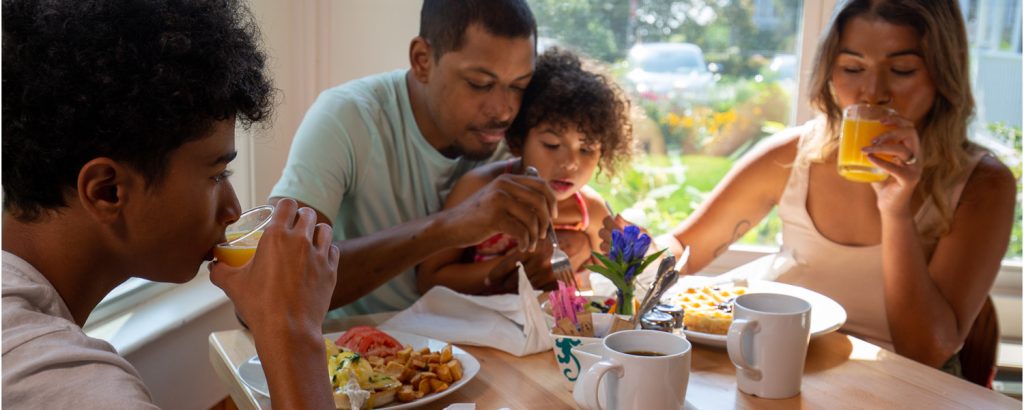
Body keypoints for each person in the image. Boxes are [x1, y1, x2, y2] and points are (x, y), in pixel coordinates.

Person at [611, 0, 1016, 372]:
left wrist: (895, 211)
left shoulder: (981, 184)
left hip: (897, 383)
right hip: (779, 362)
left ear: (943, 74)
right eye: (853, 69)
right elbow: (689, 245)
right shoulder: (795, 154)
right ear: (829, 72)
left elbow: (926, 350)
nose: (873, 93)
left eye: (903, 70)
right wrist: (631, 255)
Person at [2, 1, 339, 408]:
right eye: (217, 175)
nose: (233, 210)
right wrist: (292, 329)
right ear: (107, 190)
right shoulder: (79, 391)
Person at [270, 0, 559, 317]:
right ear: (422, 60)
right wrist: (449, 226)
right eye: (480, 84)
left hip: (472, 351)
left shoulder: (515, 138)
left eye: (519, 85)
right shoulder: (347, 117)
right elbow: (276, 282)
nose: (504, 110)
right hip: (351, 352)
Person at [418, 49, 633, 294]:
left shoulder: (591, 213)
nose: (571, 163)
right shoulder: (479, 188)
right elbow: (429, 279)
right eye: (551, 145)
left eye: (586, 149)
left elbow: (612, 286)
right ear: (518, 140)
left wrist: (629, 255)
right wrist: (513, 269)